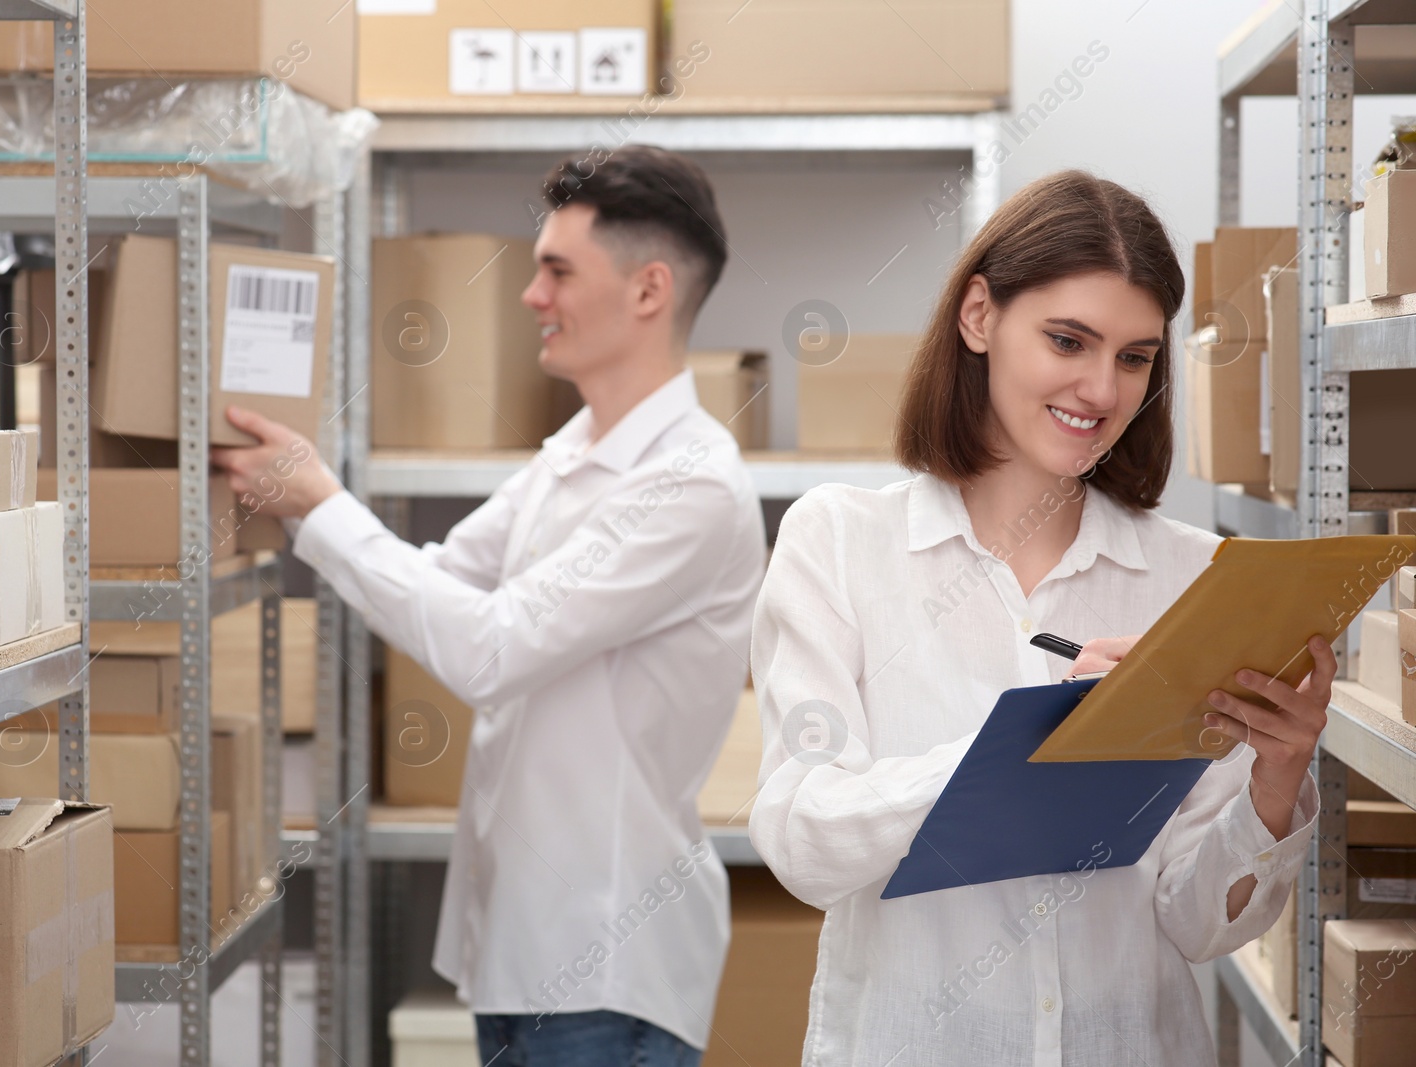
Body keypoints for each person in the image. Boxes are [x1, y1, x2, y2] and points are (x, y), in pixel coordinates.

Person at [748, 170, 1330, 1066]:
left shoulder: (1191, 573)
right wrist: (1031, 745)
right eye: (1068, 339)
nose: (1101, 388)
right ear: (978, 316)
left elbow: (1196, 923)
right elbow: (804, 842)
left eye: (1135, 357)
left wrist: (1277, 778)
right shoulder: (840, 543)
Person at [214, 145, 766, 1066]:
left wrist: (318, 501)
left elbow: (491, 649)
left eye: (556, 269)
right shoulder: (577, 448)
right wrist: (301, 510)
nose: (530, 296)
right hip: (518, 954)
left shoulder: (690, 486)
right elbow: (441, 577)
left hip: (605, 969)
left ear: (648, 290)